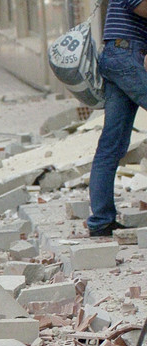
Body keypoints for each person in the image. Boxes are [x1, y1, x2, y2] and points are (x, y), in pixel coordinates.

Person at [87, 0, 146, 237]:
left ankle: (101, 221)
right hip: (124, 55)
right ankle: (100, 219)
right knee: (110, 146)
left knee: (111, 145)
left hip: (121, 55)